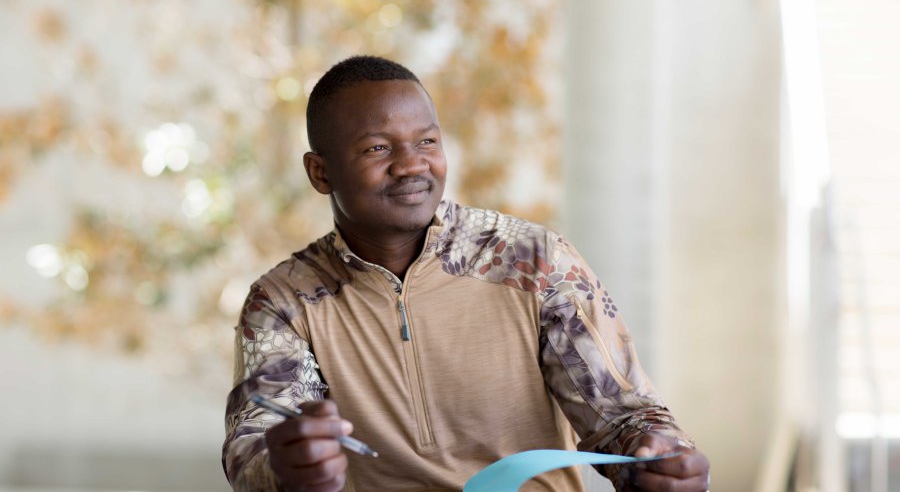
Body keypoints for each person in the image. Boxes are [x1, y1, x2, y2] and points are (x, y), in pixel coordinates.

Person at [222, 55, 710, 491]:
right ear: (320, 173)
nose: (412, 165)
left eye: (427, 141)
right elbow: (254, 448)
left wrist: (658, 460)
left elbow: (624, 419)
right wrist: (287, 469)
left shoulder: (534, 261)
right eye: (377, 149)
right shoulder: (284, 301)